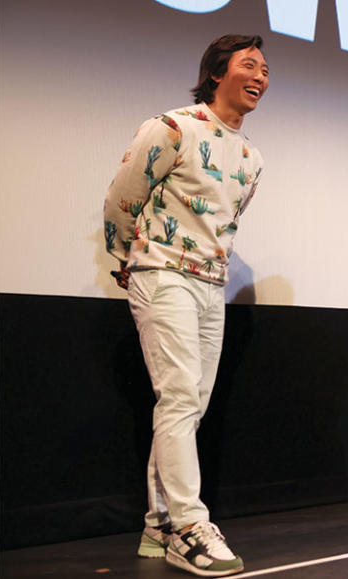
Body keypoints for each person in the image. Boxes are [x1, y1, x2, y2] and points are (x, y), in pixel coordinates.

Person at [103, 34, 269, 577]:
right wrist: (130, 258)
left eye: (265, 69)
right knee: (177, 398)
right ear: (217, 73)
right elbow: (122, 199)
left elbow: (226, 222)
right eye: (249, 65)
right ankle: (189, 527)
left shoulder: (252, 157)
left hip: (210, 285)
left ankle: (158, 522)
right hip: (163, 273)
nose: (261, 76)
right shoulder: (172, 127)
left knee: (190, 404)